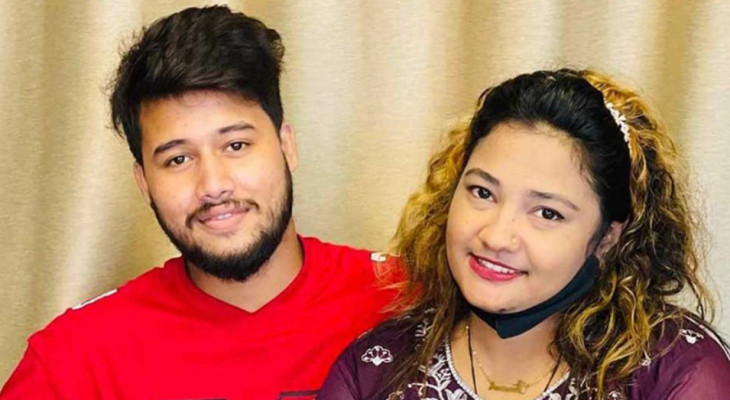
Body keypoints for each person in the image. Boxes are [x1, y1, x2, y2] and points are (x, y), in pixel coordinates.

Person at [0, 6, 396, 400]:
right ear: (144, 182)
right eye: (178, 159)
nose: (213, 185)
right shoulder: (74, 361)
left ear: (286, 146)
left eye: (236, 145)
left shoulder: (406, 301)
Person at [318, 68, 730, 399]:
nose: (497, 236)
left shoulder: (677, 372)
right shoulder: (376, 368)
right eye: (482, 192)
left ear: (607, 237)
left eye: (547, 213)